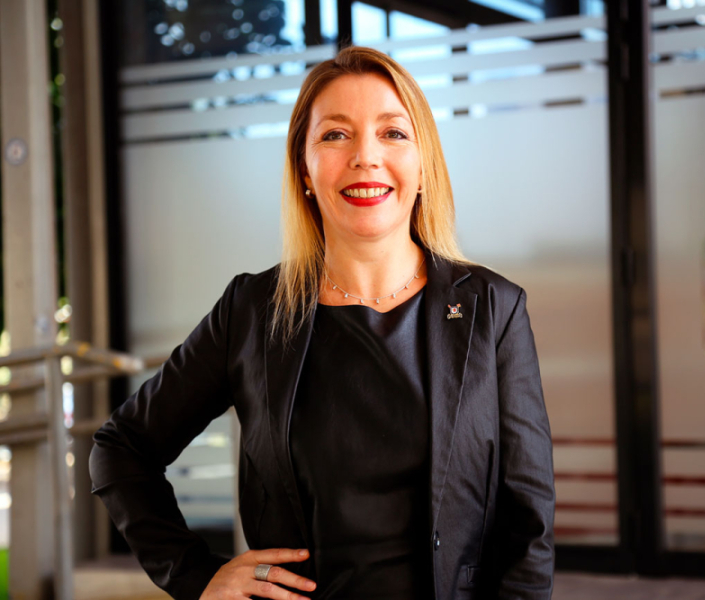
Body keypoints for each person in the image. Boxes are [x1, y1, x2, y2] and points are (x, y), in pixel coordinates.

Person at [90, 45, 555, 600]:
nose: (365, 157)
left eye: (393, 133)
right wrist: (196, 576)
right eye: (335, 135)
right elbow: (120, 449)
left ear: (424, 165)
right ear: (303, 170)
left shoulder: (492, 309)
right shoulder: (253, 311)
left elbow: (530, 528)